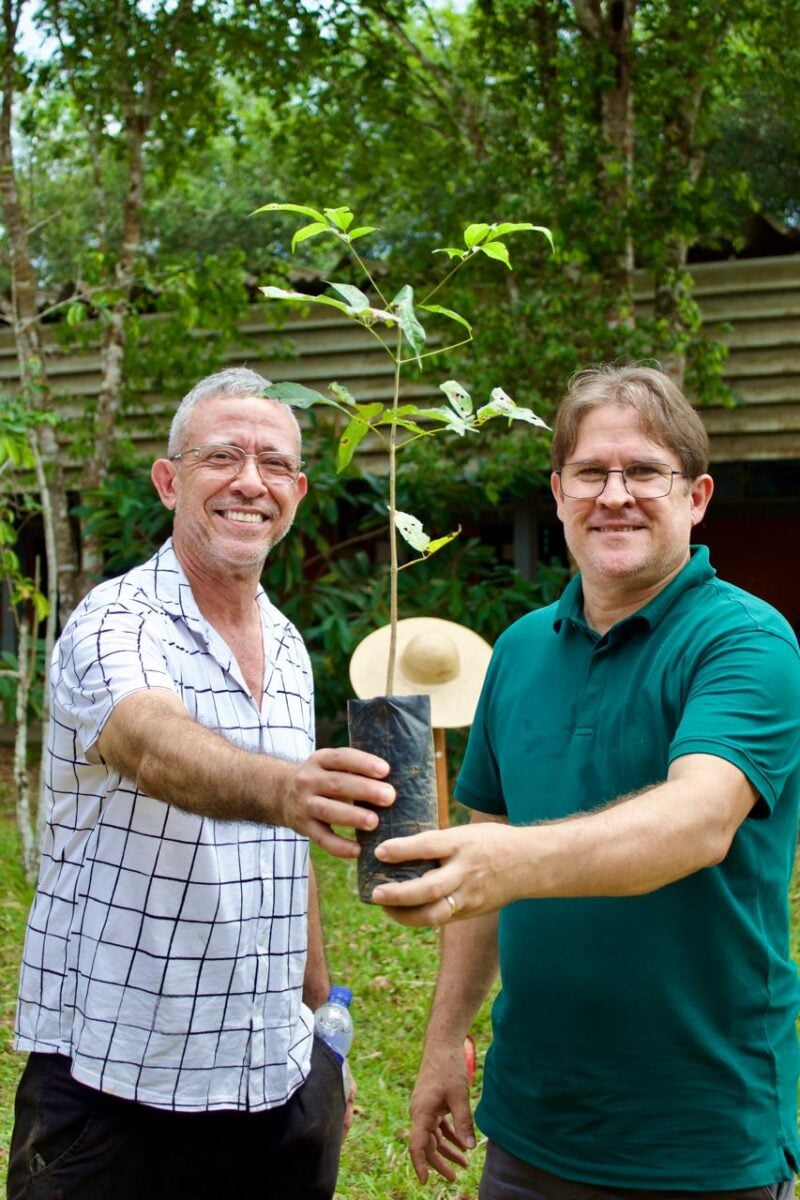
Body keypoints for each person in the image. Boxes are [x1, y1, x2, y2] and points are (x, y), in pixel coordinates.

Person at [370, 364, 800, 1200]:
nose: (615, 495)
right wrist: (442, 1043)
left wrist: (506, 861)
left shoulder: (746, 642)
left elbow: (697, 821)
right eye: (591, 472)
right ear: (558, 492)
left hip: (699, 1136)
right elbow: (488, 854)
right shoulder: (520, 649)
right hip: (531, 1125)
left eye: (644, 471)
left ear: (696, 496)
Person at [7, 366, 395, 1200]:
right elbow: (152, 745)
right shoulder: (115, 621)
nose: (251, 482)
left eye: (274, 463)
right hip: (115, 1082)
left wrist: (322, 1028)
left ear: (296, 492)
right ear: (168, 481)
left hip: (273, 1075)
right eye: (222, 456)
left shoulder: (287, 645)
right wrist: (288, 789)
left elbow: (287, 852)